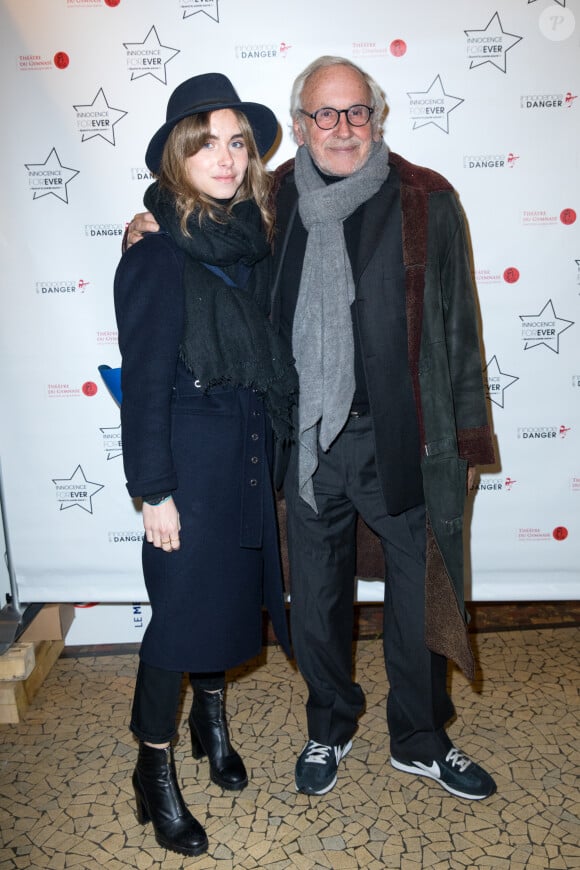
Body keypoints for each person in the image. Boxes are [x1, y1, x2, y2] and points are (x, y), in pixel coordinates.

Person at [127, 56, 497, 803]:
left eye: (355, 111)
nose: (341, 128)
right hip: (303, 442)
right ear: (298, 126)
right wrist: (145, 219)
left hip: (404, 438)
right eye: (323, 115)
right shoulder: (277, 198)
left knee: (417, 595)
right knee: (317, 597)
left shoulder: (428, 198)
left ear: (376, 117)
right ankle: (329, 725)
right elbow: (203, 231)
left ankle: (422, 738)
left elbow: (461, 329)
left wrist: (466, 441)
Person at [115, 73, 297, 857]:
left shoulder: (253, 239)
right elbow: (145, 383)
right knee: (181, 621)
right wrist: (154, 491)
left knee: (230, 604)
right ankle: (151, 770)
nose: (223, 158)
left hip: (249, 444)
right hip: (188, 457)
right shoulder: (156, 252)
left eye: (236, 143)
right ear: (175, 158)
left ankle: (209, 725)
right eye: (205, 144)